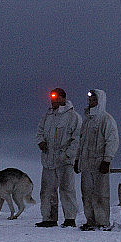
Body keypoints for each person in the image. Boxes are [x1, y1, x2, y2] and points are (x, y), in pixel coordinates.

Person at [35, 88, 82, 227]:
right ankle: (49, 218)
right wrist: (41, 142)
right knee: (47, 190)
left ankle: (70, 218)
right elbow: (39, 131)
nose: (53, 101)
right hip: (49, 159)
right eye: (51, 98)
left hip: (64, 160)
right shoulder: (48, 116)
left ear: (63, 98)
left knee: (67, 189)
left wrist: (69, 155)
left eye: (56, 98)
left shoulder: (73, 117)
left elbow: (77, 138)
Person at [75, 89, 119, 231]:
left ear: (100, 101)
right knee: (86, 193)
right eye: (90, 100)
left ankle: (102, 222)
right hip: (86, 164)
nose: (92, 102)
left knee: (101, 194)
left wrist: (107, 160)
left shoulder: (106, 119)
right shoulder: (87, 121)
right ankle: (91, 221)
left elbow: (112, 140)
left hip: (100, 163)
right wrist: (78, 160)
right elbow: (81, 143)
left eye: (94, 100)